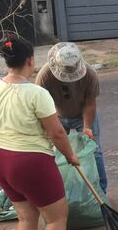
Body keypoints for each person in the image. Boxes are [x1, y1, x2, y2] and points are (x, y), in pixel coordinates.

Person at [0, 34, 89, 230]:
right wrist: (70, 155)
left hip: (0, 158)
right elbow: (56, 133)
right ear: (31, 61)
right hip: (30, 162)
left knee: (26, 217)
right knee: (56, 218)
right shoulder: (36, 93)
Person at [36, 42, 107, 193]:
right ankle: (59, 192)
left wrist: (87, 127)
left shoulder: (90, 74)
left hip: (82, 114)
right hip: (56, 114)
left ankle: (101, 191)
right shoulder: (44, 76)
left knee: (95, 151)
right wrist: (54, 129)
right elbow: (42, 107)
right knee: (54, 152)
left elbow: (90, 104)